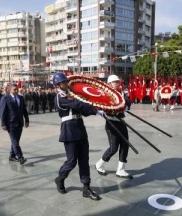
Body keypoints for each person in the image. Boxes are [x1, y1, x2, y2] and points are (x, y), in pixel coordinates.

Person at [53, 73, 104, 201]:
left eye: (66, 81)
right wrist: (94, 109)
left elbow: (83, 110)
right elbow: (77, 105)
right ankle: (60, 178)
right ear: (58, 85)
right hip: (69, 128)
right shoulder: (61, 96)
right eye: (63, 82)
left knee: (84, 159)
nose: (66, 84)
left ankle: (86, 188)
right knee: (71, 161)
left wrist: (96, 110)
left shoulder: (71, 94)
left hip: (79, 127)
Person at [95, 75, 133, 179]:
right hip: (111, 123)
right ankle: (99, 164)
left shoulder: (121, 93)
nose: (117, 83)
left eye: (117, 82)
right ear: (110, 84)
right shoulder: (105, 95)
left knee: (125, 145)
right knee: (113, 148)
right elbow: (99, 108)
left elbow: (128, 105)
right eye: (115, 82)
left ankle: (121, 169)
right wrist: (106, 111)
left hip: (121, 122)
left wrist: (123, 107)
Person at [0, 84, 29, 165]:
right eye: (14, 89)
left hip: (19, 122)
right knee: (15, 141)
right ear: (9, 90)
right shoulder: (5, 98)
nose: (16, 91)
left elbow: (24, 110)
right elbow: (2, 112)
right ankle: (20, 157)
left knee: (16, 141)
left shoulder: (20, 98)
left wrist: (27, 120)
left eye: (17, 89)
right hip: (10, 123)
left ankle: (12, 155)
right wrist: (3, 124)